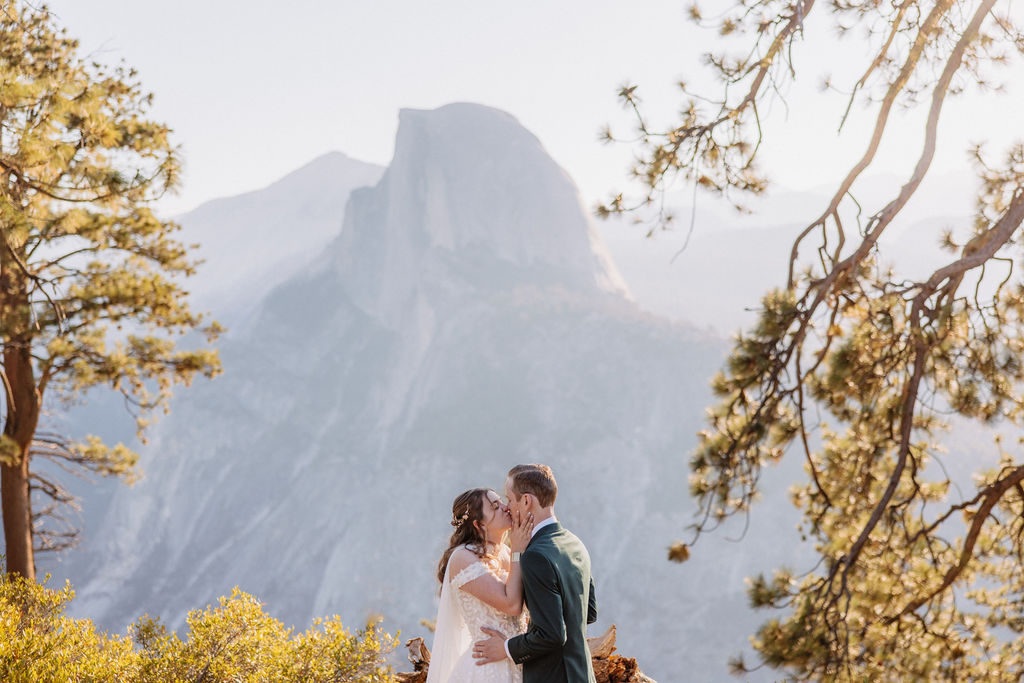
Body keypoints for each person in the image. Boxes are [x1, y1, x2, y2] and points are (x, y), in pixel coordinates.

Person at [472, 464, 598, 683]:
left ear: (527, 501)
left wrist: (507, 648)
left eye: (509, 499)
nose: (507, 507)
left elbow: (552, 635)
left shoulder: (535, 556)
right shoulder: (574, 543)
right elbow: (589, 613)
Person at [427, 487, 534, 683]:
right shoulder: (463, 557)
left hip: (517, 660)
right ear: (479, 524)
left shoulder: (506, 552)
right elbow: (511, 604)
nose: (505, 507)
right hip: (487, 668)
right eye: (495, 507)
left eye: (501, 501)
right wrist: (518, 550)